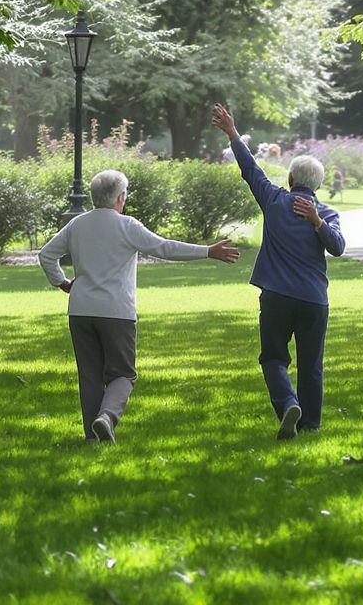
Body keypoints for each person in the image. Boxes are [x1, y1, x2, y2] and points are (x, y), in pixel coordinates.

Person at [37, 169, 240, 444]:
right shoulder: (126, 225)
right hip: (116, 311)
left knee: (89, 375)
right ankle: (107, 417)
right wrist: (207, 251)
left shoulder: (78, 224)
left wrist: (61, 282)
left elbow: (47, 254)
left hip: (81, 309)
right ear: (120, 197)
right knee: (123, 374)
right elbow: (164, 248)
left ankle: (91, 436)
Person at [212, 103, 344, 440]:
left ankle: (287, 404)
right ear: (318, 184)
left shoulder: (273, 200)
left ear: (290, 179)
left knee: (273, 358)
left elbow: (250, 169)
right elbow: (338, 246)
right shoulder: (327, 212)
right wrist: (317, 222)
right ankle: (310, 424)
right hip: (314, 300)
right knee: (312, 365)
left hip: (276, 296)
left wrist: (232, 132)